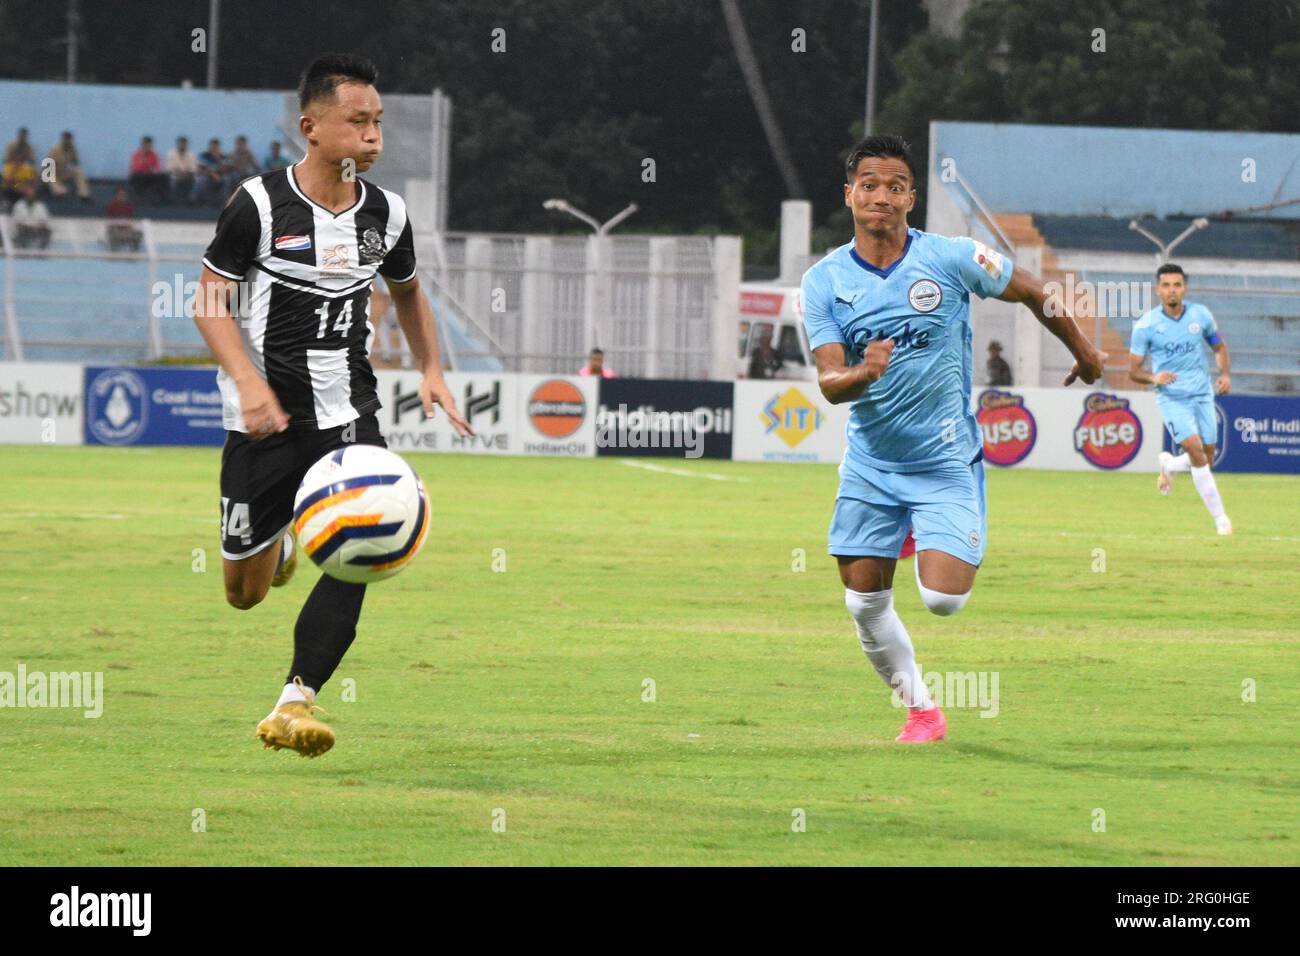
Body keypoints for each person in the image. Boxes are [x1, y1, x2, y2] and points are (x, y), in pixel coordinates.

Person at [193, 53, 472, 758]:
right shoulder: (258, 205)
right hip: (264, 422)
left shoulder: (388, 213)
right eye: (358, 122)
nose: (374, 136)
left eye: (378, 122)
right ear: (312, 127)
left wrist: (432, 368)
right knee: (243, 594)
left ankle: (297, 700)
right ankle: (279, 538)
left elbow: (408, 292)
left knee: (362, 550)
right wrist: (249, 384)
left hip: (350, 416)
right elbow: (209, 299)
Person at [802, 135, 1105, 744]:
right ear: (849, 196)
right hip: (870, 464)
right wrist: (864, 371)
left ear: (912, 197)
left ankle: (927, 523)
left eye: (894, 186)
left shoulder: (951, 257)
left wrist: (1086, 351)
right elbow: (831, 382)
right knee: (863, 605)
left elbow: (1035, 292)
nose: (881, 197)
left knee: (943, 600)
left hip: (944, 460)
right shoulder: (824, 281)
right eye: (869, 185)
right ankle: (923, 712)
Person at [1129, 263, 1233, 534]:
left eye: (1177, 285)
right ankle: (1221, 520)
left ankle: (1170, 464)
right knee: (1197, 452)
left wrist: (1224, 373)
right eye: (1166, 285)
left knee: (1207, 459)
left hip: (1201, 393)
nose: (1172, 290)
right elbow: (1134, 371)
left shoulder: (1201, 315)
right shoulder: (1146, 326)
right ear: (1158, 290)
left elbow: (1219, 346)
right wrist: (1154, 378)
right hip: (1172, 398)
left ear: (1184, 288)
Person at [45, 131, 93, 202]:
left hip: (64, 172)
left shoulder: (72, 148)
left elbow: (76, 163)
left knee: (78, 171)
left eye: (69, 140)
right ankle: (59, 192)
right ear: (62, 139)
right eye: (66, 139)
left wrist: (73, 156)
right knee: (48, 174)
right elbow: (47, 164)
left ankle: (84, 194)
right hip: (53, 173)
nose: (67, 142)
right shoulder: (55, 149)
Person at [11, 181, 53, 249]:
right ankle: (22, 250)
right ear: (24, 193)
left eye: (31, 192)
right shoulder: (19, 205)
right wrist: (28, 226)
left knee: (47, 231)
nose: (30, 194)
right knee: (21, 230)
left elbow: (44, 220)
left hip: (36, 229)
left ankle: (42, 252)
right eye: (28, 192)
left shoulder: (41, 206)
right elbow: (17, 221)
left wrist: (37, 227)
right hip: (24, 229)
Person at [128, 136, 169, 204]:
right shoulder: (136, 154)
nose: (148, 147)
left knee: (164, 177)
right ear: (143, 144)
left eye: (150, 145)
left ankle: (163, 198)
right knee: (139, 176)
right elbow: (135, 168)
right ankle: (138, 198)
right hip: (137, 175)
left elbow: (157, 168)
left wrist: (157, 172)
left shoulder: (154, 155)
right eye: (146, 145)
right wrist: (144, 159)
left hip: (149, 174)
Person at [2, 127, 38, 204]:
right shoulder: (9, 167)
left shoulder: (26, 168)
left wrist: (28, 187)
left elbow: (31, 178)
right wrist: (19, 186)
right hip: (12, 186)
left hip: (23, 185)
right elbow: (8, 181)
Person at [196, 138, 235, 205]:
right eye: (212, 147)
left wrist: (218, 159)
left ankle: (225, 202)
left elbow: (226, 169)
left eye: (216, 147)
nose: (214, 149)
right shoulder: (204, 155)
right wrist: (212, 174)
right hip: (207, 176)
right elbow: (201, 169)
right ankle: (203, 202)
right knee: (201, 180)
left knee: (227, 179)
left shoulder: (223, 156)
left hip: (220, 176)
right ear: (209, 147)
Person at [104, 186, 142, 251]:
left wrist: (128, 229)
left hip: (126, 231)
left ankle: (134, 253)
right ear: (116, 196)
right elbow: (109, 222)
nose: (122, 197)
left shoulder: (129, 208)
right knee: (113, 233)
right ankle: (114, 253)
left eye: (124, 195)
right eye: (120, 195)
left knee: (138, 234)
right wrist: (116, 228)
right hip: (115, 231)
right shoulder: (110, 207)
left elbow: (130, 222)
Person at [166, 136, 200, 204]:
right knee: (172, 180)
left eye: (184, 144)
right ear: (177, 144)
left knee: (196, 181)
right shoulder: (171, 154)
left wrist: (185, 173)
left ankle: (191, 201)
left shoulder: (191, 155)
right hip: (175, 176)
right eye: (180, 143)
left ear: (187, 144)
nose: (182, 145)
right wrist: (180, 173)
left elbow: (193, 169)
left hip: (188, 176)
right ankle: (172, 201)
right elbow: (169, 169)